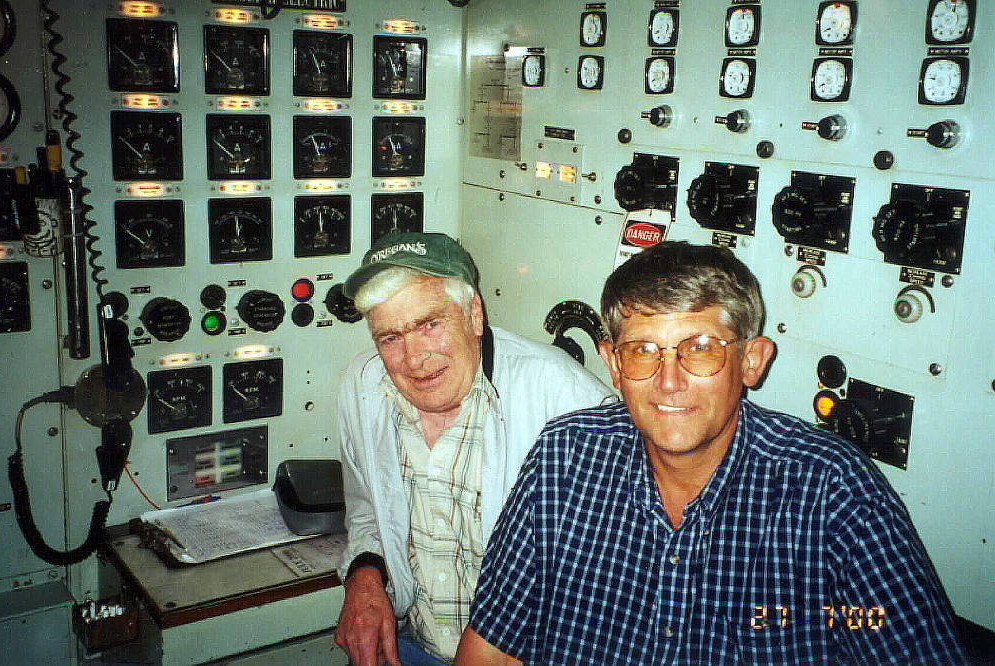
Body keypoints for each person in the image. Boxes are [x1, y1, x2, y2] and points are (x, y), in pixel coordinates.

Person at [457, 241, 966, 665]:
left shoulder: (834, 496)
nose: (669, 381)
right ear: (613, 364)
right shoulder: (563, 458)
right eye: (643, 350)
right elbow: (491, 650)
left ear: (752, 361)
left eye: (700, 348)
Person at [333, 232, 614, 666]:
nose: (414, 358)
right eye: (390, 337)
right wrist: (365, 575)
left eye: (430, 324)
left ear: (474, 314)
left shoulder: (564, 398)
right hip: (405, 645)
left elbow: (621, 561)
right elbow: (366, 505)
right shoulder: (363, 385)